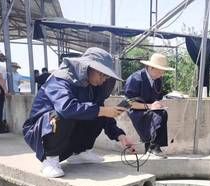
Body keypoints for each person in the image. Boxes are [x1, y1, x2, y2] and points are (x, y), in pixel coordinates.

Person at [23, 47, 135, 178]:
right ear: (88, 67)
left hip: (66, 134)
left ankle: (81, 152)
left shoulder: (92, 86)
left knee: (95, 112)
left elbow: (102, 114)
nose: (104, 79)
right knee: (63, 113)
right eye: (102, 74)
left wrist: (120, 136)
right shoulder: (60, 79)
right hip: (41, 132)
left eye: (106, 76)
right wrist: (102, 110)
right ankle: (50, 160)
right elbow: (66, 108)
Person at [124, 53, 174, 157]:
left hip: (150, 109)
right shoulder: (135, 79)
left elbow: (157, 97)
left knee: (162, 113)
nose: (162, 74)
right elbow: (128, 104)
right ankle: (153, 147)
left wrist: (157, 104)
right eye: (160, 70)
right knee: (159, 115)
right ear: (151, 68)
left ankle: (152, 147)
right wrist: (150, 106)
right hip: (137, 110)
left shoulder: (158, 80)